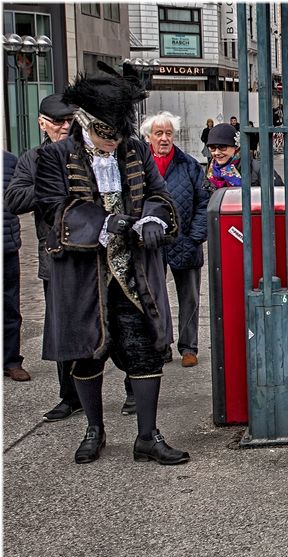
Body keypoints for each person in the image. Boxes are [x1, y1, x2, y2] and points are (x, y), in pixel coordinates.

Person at [35, 67, 191, 465]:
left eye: (116, 137)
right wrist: (104, 223)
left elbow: (159, 193)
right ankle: (94, 429)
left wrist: (154, 219)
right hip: (85, 274)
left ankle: (147, 436)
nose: (112, 145)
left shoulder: (135, 149)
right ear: (86, 122)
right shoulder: (54, 156)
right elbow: (54, 208)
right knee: (87, 352)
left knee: (144, 349)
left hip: (134, 272)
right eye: (105, 138)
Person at [5, 94, 88, 416]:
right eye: (57, 122)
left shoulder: (89, 150)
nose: (64, 127)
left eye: (69, 120)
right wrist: (49, 182)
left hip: (97, 253)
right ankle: (70, 397)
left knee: (115, 323)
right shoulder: (33, 159)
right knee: (63, 330)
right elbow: (14, 200)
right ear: (42, 123)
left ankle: (131, 391)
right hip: (57, 255)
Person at [142, 111, 209, 368]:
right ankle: (161, 345)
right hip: (151, 243)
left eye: (169, 133)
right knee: (153, 296)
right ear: (148, 136)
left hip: (185, 240)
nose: (164, 138)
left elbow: (203, 202)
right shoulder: (140, 164)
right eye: (159, 133)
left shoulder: (189, 164)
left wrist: (195, 236)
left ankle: (189, 346)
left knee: (189, 297)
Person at [3, 149, 29, 382]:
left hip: (6, 246)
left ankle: (11, 360)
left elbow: (19, 198)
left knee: (10, 307)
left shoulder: (10, 161)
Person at [205, 123, 283, 188]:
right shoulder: (209, 170)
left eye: (222, 147)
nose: (216, 152)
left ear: (236, 147)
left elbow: (278, 197)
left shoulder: (259, 168)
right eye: (212, 148)